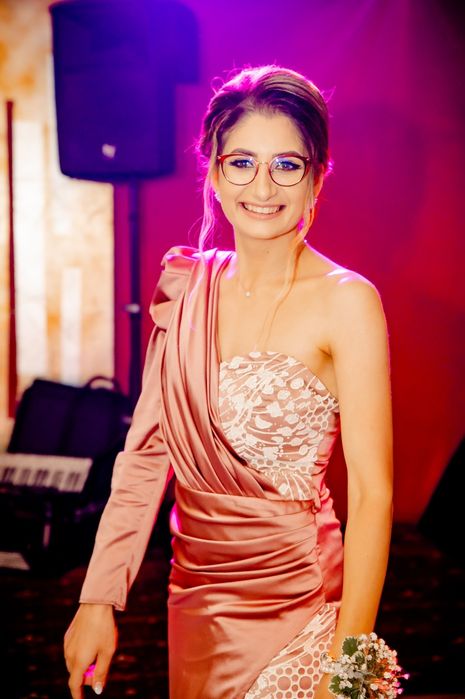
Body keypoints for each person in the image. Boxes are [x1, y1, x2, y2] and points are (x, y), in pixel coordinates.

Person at [64, 65, 394, 699]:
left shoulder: (347, 301)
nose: (262, 186)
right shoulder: (188, 288)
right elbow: (146, 458)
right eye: (241, 162)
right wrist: (98, 599)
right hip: (194, 600)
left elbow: (374, 495)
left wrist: (347, 667)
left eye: (287, 165)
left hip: (302, 605)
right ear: (213, 172)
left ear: (318, 176)